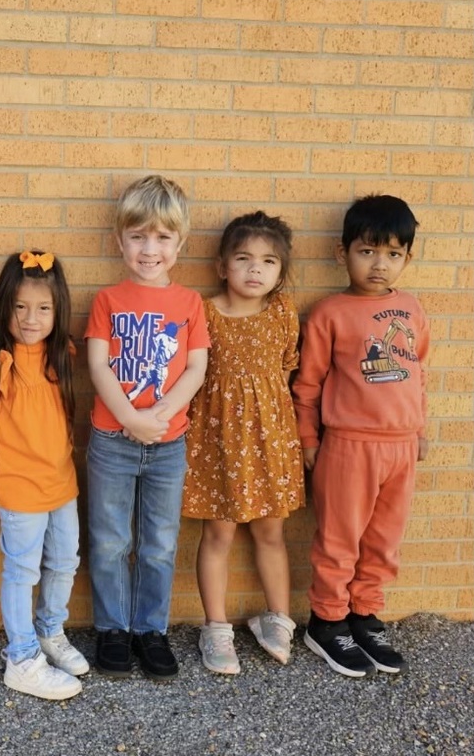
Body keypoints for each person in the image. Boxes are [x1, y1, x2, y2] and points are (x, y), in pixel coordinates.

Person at [294, 195, 428, 678]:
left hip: (401, 447)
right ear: (342, 253)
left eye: (393, 254)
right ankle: (327, 622)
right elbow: (306, 384)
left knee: (384, 540)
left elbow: (417, 372)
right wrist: (309, 440)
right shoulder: (330, 312)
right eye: (368, 251)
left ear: (407, 259)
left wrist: (419, 429)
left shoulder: (411, 309)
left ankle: (364, 614)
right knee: (339, 539)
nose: (380, 264)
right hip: (349, 445)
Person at [84, 175, 209, 682]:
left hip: (167, 444)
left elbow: (196, 368)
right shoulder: (107, 300)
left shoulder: (189, 303)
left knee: (159, 542)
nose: (149, 248)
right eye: (138, 236)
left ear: (179, 245)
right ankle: (113, 629)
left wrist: (157, 420)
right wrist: (131, 418)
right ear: (120, 241)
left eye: (162, 238)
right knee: (110, 540)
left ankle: (150, 630)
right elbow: (97, 365)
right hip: (112, 441)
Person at [182, 212, 304, 675]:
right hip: (217, 444)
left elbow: (286, 370)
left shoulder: (282, 313)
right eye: (244, 258)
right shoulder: (204, 311)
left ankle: (276, 618)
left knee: (270, 531)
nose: (256, 269)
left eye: (269, 261)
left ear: (279, 270)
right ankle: (215, 628)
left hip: (271, 443)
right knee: (218, 533)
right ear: (222, 266)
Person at [0, 251, 87, 701]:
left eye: (43, 309)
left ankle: (50, 630)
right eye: (20, 307)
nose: (31, 319)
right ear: (5, 307)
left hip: (61, 484)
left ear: (58, 311)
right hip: (17, 484)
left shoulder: (63, 355)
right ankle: (21, 655)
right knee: (21, 570)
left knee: (64, 560)